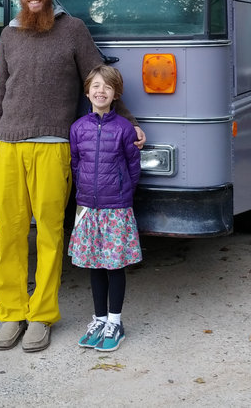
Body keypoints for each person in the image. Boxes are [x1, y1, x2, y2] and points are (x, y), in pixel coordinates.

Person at [0, 0, 145, 353]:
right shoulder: (9, 34)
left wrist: (129, 121)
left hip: (55, 145)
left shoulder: (72, 30)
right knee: (9, 235)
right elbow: (0, 90)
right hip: (8, 146)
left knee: (52, 235)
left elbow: (97, 77)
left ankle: (40, 316)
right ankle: (11, 313)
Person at [68, 65, 142, 352]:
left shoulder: (124, 129)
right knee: (93, 265)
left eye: (107, 87)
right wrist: (84, 193)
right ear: (87, 91)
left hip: (116, 208)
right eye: (96, 86)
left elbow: (133, 167)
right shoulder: (78, 128)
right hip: (87, 208)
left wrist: (123, 193)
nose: (101, 91)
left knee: (114, 266)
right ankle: (98, 320)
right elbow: (76, 163)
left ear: (115, 94)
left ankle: (115, 322)